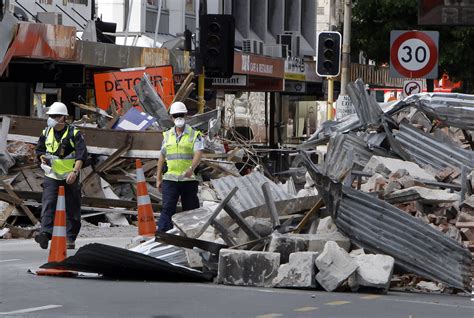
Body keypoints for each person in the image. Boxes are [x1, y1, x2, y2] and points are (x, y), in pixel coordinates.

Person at [34, 102, 88, 250]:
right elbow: (39, 150)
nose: (51, 118)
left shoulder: (73, 133)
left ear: (63, 118)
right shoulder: (46, 132)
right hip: (52, 175)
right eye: (50, 116)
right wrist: (41, 158)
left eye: (54, 116)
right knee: (48, 204)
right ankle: (45, 234)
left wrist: (74, 172)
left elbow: (81, 155)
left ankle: (70, 238)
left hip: (70, 176)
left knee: (72, 207)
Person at [156, 101, 203, 232]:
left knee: (191, 210)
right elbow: (161, 157)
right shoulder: (167, 135)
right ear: (171, 118)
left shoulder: (194, 135)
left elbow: (198, 153)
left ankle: (192, 236)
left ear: (186, 116)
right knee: (167, 209)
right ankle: (163, 236)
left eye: (181, 115)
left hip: (188, 180)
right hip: (170, 180)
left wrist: (191, 169)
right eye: (176, 115)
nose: (178, 118)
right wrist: (158, 178)